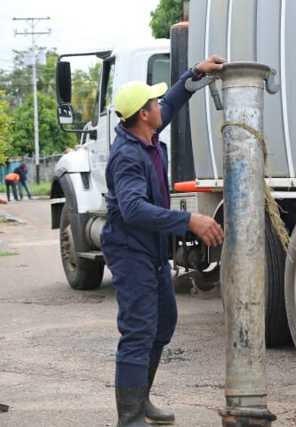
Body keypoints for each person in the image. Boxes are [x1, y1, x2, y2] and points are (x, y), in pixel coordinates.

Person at [102, 54, 225, 427]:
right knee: (139, 329)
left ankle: (141, 399)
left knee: (164, 321)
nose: (159, 106)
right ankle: (130, 416)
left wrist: (195, 73)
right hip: (129, 249)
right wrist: (189, 219)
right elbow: (134, 209)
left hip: (151, 249)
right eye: (152, 104)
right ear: (142, 114)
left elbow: (172, 101)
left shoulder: (148, 136)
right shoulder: (127, 156)